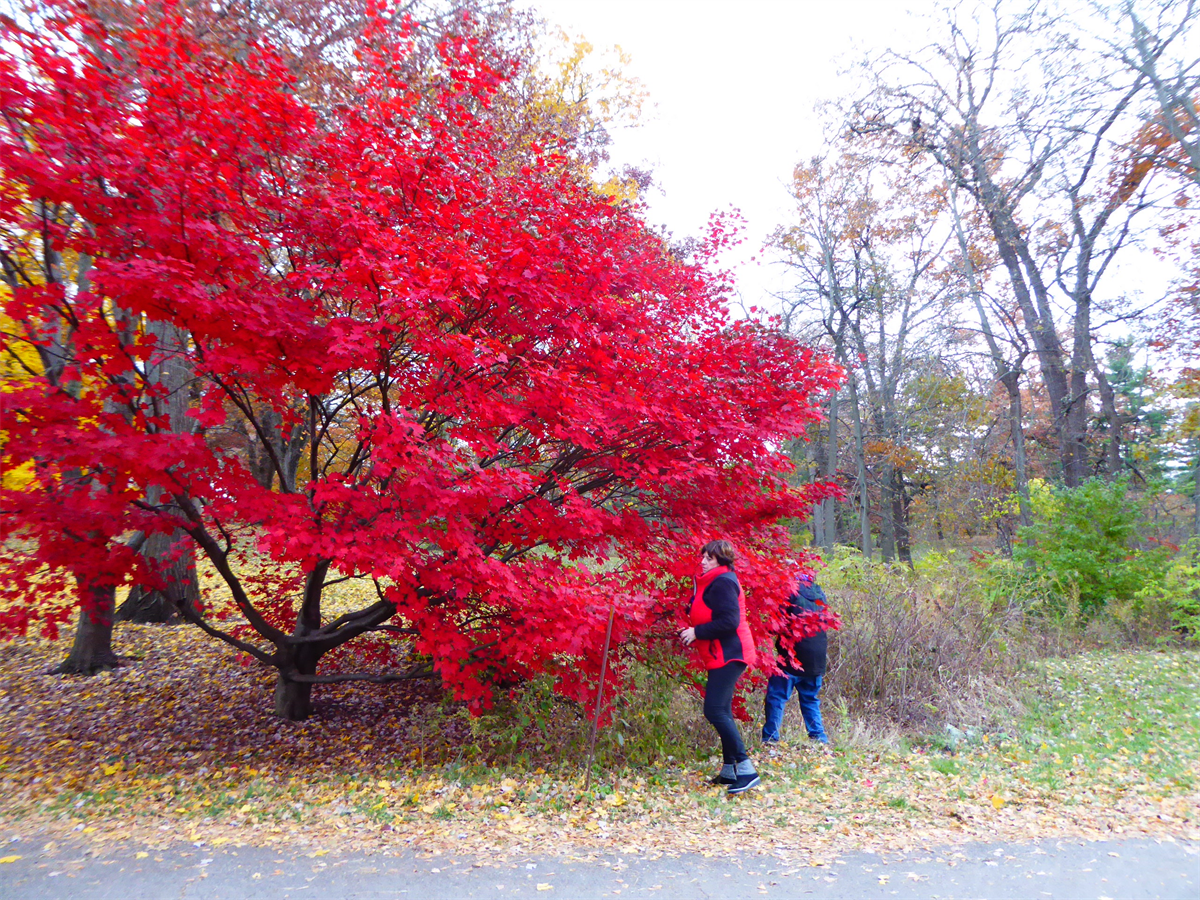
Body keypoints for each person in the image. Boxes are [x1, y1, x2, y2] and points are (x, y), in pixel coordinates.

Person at [679, 539, 761, 795]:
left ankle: (747, 770)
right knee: (722, 709)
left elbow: (729, 621)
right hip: (720, 654)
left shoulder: (724, 581)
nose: (703, 561)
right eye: (703, 557)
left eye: (709, 558)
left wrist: (697, 632)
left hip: (731, 654)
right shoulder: (713, 581)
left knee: (714, 710)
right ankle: (729, 770)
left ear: (721, 561)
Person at [761, 572, 830, 745]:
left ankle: (770, 739)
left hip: (792, 657)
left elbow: (776, 625)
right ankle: (819, 738)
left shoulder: (788, 591)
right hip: (817, 659)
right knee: (810, 698)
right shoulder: (820, 593)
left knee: (776, 697)